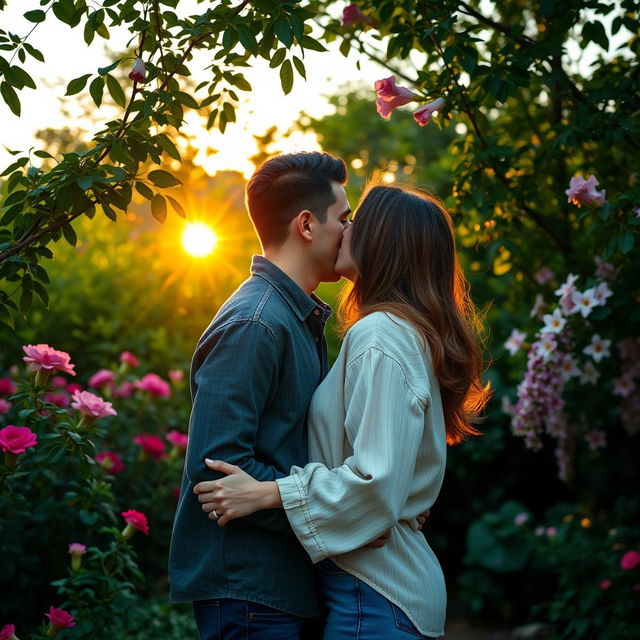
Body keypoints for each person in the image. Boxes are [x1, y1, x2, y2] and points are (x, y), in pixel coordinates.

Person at [194, 183, 491, 639]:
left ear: (384, 242)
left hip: (375, 591)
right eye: (345, 217)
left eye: (357, 221)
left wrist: (270, 494)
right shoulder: (395, 332)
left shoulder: (382, 335)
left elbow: (373, 486)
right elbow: (384, 486)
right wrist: (380, 507)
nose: (346, 230)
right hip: (376, 587)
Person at [169, 151, 352, 639]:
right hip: (249, 587)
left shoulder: (293, 316)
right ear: (307, 225)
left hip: (280, 583)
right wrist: (322, 508)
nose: (351, 232)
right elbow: (217, 466)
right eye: (345, 219)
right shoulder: (257, 323)